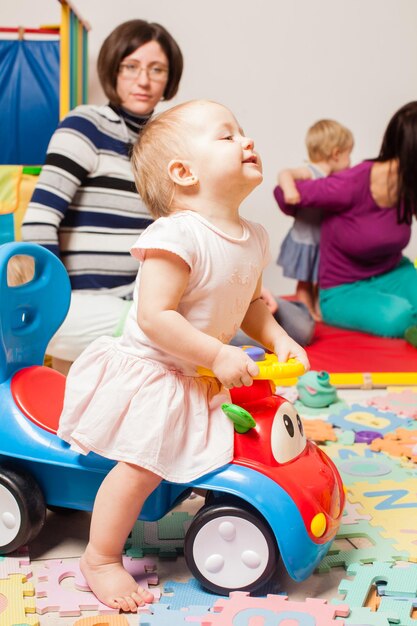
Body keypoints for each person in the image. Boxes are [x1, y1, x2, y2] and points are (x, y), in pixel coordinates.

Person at [58, 99, 310, 611]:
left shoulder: (254, 236)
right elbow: (155, 316)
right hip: (155, 373)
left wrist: (276, 337)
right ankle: (100, 557)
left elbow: (247, 307)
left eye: (243, 131)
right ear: (183, 172)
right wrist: (217, 354)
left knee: (228, 447)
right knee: (142, 466)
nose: (247, 141)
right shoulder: (176, 235)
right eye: (227, 136)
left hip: (199, 374)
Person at [21, 20, 183, 375]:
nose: (144, 80)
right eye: (131, 67)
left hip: (141, 299)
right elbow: (39, 221)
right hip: (83, 305)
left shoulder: (168, 147)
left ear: (169, 80)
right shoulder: (87, 124)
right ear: (114, 69)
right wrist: (52, 301)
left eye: (157, 70)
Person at [274, 101, 417, 345]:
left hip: (395, 272)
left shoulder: (410, 186)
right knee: (401, 317)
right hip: (343, 289)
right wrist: (297, 201)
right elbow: (283, 192)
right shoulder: (350, 183)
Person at [276, 119, 354, 320]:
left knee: (320, 278)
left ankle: (318, 308)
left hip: (323, 241)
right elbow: (285, 173)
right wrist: (290, 189)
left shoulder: (335, 179)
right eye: (348, 155)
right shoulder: (310, 171)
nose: (350, 161)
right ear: (336, 154)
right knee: (304, 281)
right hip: (305, 239)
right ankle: (306, 312)